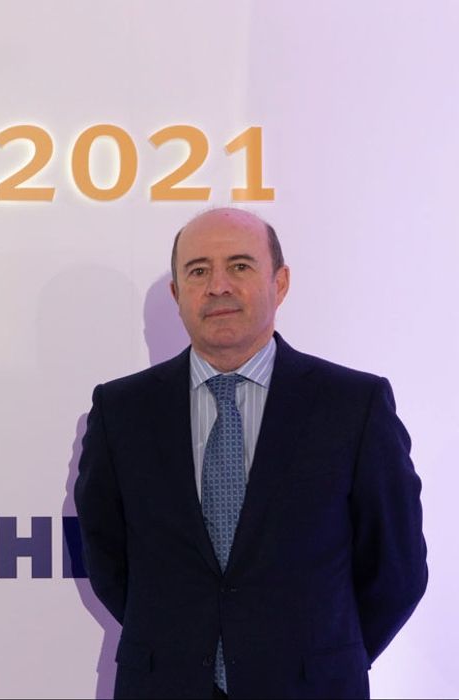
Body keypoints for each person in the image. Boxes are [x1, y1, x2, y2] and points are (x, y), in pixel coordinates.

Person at [73, 208, 427, 699]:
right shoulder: (121, 411)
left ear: (280, 283)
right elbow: (108, 560)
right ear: (177, 294)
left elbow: (396, 570)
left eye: (239, 266)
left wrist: (325, 655)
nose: (218, 286)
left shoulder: (353, 405)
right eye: (198, 271)